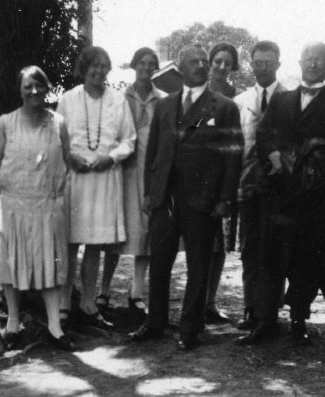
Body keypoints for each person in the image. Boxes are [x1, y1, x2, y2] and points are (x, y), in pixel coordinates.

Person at [127, 44, 242, 351]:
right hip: (165, 199)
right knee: (160, 262)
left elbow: (233, 157)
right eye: (195, 62)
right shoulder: (165, 106)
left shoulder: (224, 107)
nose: (202, 66)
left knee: (198, 265)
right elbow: (152, 151)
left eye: (205, 62)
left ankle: (191, 329)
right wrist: (151, 192)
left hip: (202, 200)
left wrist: (225, 199)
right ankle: (156, 323)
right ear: (180, 67)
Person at [237, 42, 325, 345]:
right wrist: (273, 153)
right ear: (299, 61)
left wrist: (296, 163)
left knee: (305, 261)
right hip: (277, 196)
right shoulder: (281, 99)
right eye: (308, 59)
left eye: (319, 60)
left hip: (311, 198)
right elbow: (264, 133)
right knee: (270, 258)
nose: (313, 64)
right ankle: (264, 321)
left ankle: (299, 320)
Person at [0, 65, 77, 352]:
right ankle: (12, 323)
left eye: (39, 85)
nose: (34, 91)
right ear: (20, 89)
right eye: (28, 86)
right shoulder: (4, 123)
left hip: (47, 206)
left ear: (46, 87)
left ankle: (54, 327)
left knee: (50, 263)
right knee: (11, 264)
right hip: (14, 205)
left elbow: (66, 158)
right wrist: (13, 191)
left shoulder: (58, 122)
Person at [56, 46, 136, 329]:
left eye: (105, 66)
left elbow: (129, 140)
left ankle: (88, 304)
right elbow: (58, 138)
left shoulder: (118, 100)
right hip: (75, 180)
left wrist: (110, 157)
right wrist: (69, 157)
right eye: (94, 65)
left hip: (104, 179)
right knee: (69, 244)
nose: (99, 71)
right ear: (84, 67)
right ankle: (63, 305)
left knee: (94, 246)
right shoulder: (67, 99)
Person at [99, 47, 166, 320]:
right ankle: (103, 291)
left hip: (148, 174)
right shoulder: (119, 97)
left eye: (151, 64)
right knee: (116, 232)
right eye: (142, 63)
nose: (146, 68)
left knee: (146, 233)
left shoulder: (161, 100)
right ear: (134, 65)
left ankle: (136, 293)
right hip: (122, 172)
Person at [230, 40, 288, 331]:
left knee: (275, 251)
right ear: (251, 65)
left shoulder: (291, 98)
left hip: (280, 191)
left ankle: (272, 312)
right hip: (248, 187)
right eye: (258, 63)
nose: (262, 68)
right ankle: (250, 308)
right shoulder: (240, 102)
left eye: (268, 62)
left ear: (278, 63)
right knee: (250, 251)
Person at [203, 41, 241, 324]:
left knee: (219, 245)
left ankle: (210, 302)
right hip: (197, 178)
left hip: (223, 178)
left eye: (227, 62)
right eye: (217, 61)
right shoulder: (196, 92)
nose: (221, 66)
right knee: (196, 243)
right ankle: (194, 301)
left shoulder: (234, 97)